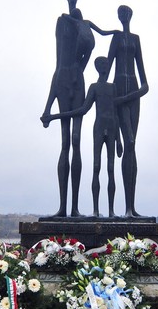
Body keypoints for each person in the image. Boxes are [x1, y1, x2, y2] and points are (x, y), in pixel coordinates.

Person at [40, 0, 96, 217]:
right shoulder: (60, 22)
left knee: (76, 140)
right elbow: (58, 61)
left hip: (76, 79)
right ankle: (63, 207)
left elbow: (90, 45)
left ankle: (74, 208)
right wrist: (48, 106)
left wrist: (80, 68)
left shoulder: (80, 22)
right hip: (63, 78)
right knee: (65, 143)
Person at [46, 57, 122, 217]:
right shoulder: (94, 87)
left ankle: (111, 211)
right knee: (96, 167)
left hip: (112, 128)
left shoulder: (113, 87)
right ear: (97, 67)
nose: (105, 67)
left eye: (106, 64)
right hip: (99, 128)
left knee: (110, 169)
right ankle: (95, 210)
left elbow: (116, 113)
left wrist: (119, 140)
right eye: (102, 64)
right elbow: (83, 109)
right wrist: (55, 116)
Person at [91, 5, 148, 217]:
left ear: (130, 16)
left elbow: (145, 84)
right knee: (129, 142)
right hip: (119, 93)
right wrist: (103, 95)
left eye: (126, 14)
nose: (123, 16)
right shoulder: (116, 39)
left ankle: (130, 207)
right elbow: (107, 67)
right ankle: (127, 209)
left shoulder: (135, 39)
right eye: (120, 14)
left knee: (133, 146)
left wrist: (130, 96)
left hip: (133, 94)